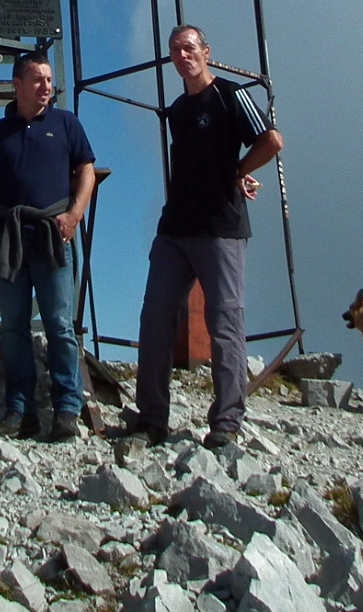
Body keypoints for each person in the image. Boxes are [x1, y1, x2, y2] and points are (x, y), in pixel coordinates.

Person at [132, 24, 283, 448]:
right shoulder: (177, 110)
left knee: (225, 321)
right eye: (176, 50)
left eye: (190, 48)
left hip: (221, 228)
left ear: (206, 52)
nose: (183, 56)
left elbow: (271, 140)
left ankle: (227, 421)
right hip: (175, 227)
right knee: (156, 314)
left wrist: (239, 173)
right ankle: (151, 418)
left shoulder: (230, 95)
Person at [0, 51, 96, 441]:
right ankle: (19, 410)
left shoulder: (66, 123)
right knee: (12, 327)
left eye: (49, 79)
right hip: (9, 237)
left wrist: (74, 215)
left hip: (53, 236)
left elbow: (86, 171)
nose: (47, 86)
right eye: (39, 79)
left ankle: (66, 409)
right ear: (18, 84)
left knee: (60, 325)